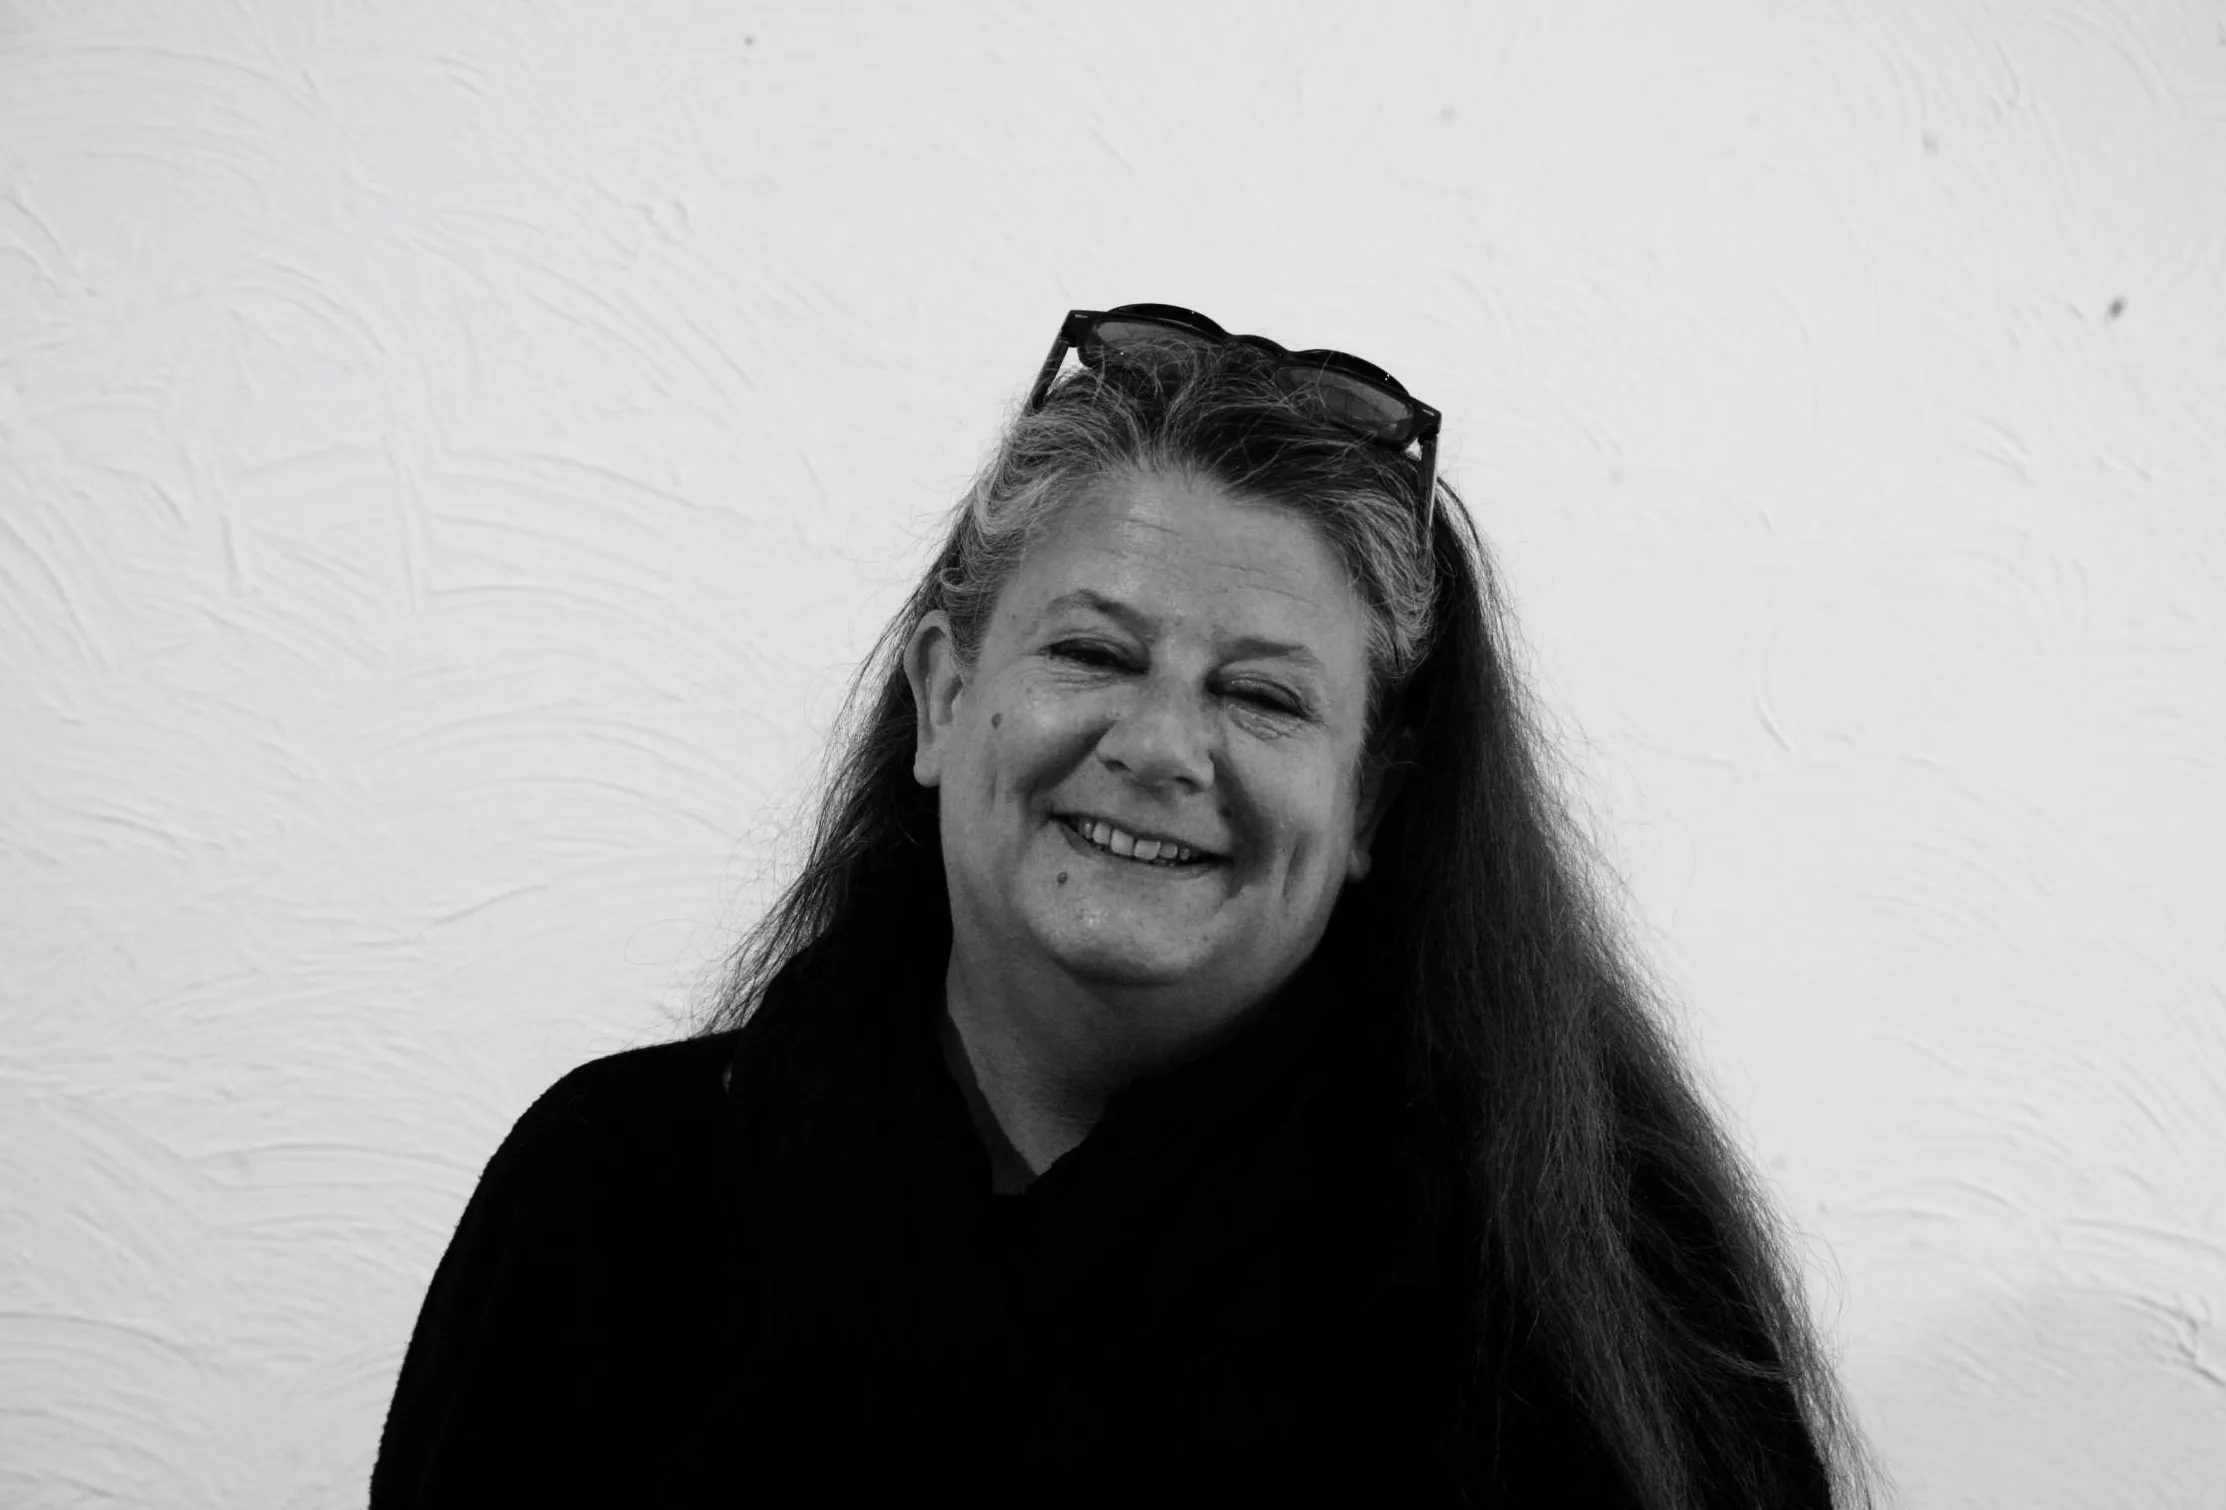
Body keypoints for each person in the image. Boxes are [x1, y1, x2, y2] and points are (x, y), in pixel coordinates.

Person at [371, 305, 1876, 1507]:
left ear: (1371, 803)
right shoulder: (611, 1201)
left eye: (1262, 695)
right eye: (1092, 654)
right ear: (943, 698)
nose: (1160, 746)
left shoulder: (1596, 1307)